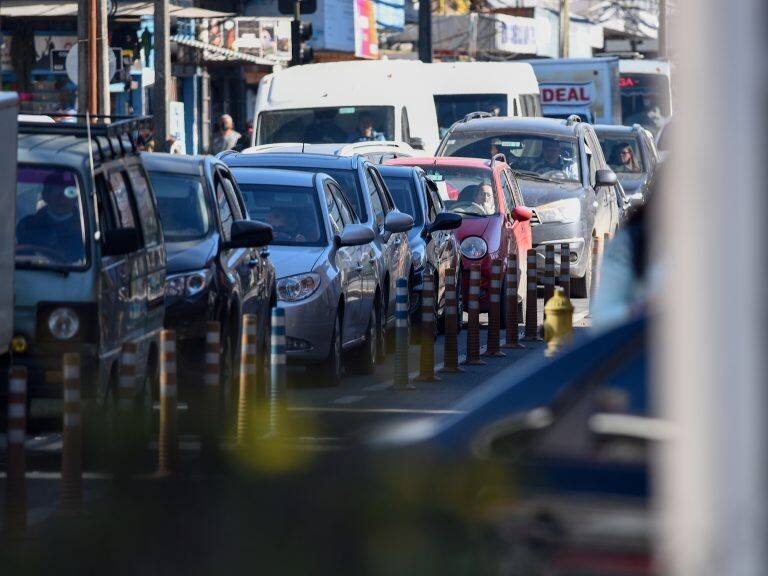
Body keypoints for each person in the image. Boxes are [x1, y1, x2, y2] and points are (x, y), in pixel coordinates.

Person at [16, 176, 84, 264]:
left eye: (70, 193)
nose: (62, 200)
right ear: (46, 196)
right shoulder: (27, 225)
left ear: (77, 198)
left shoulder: (85, 227)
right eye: (56, 193)